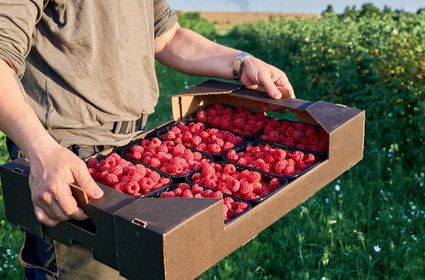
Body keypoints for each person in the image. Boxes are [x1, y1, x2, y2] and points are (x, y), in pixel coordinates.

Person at [0, 0, 295, 279]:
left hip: (133, 149)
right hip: (68, 159)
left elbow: (167, 37)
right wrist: (41, 150)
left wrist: (242, 63)